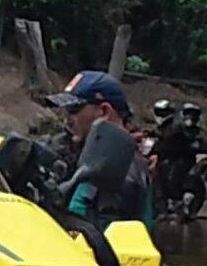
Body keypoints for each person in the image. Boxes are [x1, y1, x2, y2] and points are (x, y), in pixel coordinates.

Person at [45, 69, 157, 228]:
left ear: (104, 111)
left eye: (73, 110)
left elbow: (95, 240)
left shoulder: (115, 170)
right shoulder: (92, 156)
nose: (67, 120)